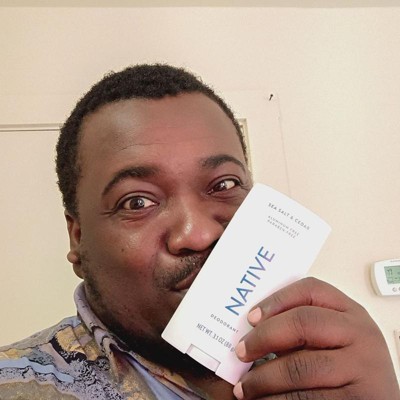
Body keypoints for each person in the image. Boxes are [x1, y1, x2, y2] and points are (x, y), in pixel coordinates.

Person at [0, 64, 399, 400]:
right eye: (137, 202)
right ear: (77, 238)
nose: (199, 234)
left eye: (224, 184)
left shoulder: (328, 364)